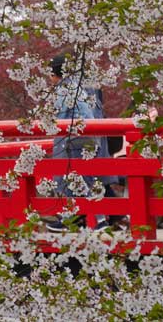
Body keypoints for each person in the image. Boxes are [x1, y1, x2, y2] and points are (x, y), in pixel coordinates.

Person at [44, 54, 115, 232]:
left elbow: (60, 118)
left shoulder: (65, 88)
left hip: (75, 137)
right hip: (87, 136)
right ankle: (96, 221)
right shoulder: (76, 86)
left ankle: (74, 219)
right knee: (85, 179)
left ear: (55, 74)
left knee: (68, 177)